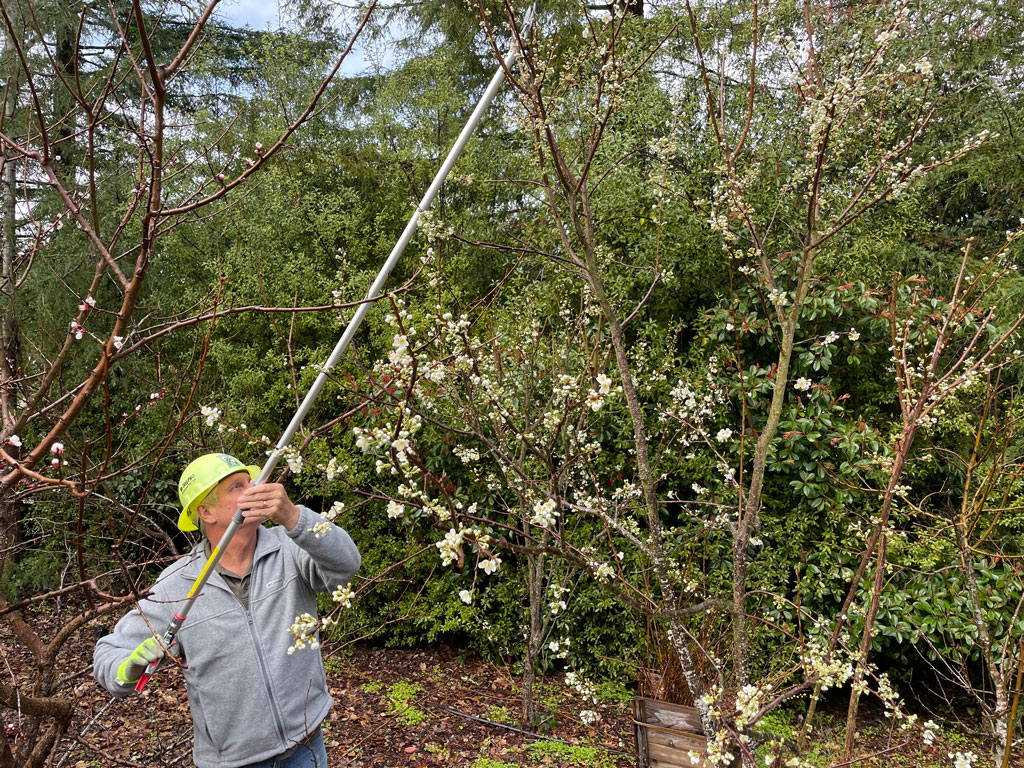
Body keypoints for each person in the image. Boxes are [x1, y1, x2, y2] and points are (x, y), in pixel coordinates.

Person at [94, 453, 360, 768]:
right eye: (237, 486)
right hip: (233, 761)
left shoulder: (290, 548)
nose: (254, 489)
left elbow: (346, 565)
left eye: (251, 481)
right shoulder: (177, 585)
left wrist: (294, 516)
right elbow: (109, 655)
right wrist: (128, 667)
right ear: (205, 512)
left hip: (306, 746)